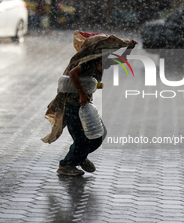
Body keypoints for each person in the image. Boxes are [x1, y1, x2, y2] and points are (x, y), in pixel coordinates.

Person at [42, 31, 137, 176]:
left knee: (98, 136)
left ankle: (79, 157)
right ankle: (66, 165)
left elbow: (121, 61)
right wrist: (82, 94)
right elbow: (73, 74)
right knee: (82, 140)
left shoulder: (103, 61)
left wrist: (129, 48)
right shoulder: (88, 62)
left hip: (84, 106)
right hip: (73, 106)